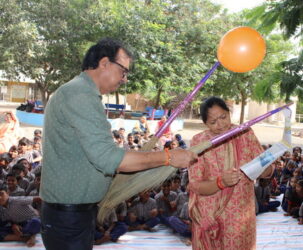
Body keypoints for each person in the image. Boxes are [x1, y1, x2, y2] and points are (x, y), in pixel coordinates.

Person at [40, 38, 197, 250]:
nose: (124, 79)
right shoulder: (80, 95)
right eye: (123, 71)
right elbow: (108, 158)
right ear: (104, 63)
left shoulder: (81, 93)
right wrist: (168, 157)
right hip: (69, 216)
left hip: (75, 214)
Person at [188, 96, 271, 250]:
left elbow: (266, 169)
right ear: (205, 124)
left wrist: (266, 168)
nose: (220, 124)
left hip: (240, 216)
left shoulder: (244, 133)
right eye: (213, 122)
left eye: (223, 117)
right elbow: (195, 185)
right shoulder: (199, 142)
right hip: (211, 215)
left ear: (229, 112)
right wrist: (221, 182)